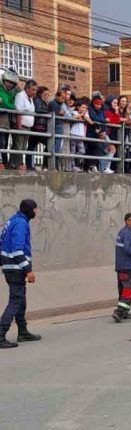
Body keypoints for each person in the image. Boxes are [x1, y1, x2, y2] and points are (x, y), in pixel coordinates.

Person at [0, 199, 41, 349]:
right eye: (35, 209)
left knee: (21, 300)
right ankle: (1, 333)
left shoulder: (12, 221)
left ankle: (22, 332)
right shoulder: (21, 223)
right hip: (16, 268)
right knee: (15, 300)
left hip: (10, 267)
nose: (36, 211)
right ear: (29, 210)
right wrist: (28, 270)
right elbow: (17, 250)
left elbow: (1, 243)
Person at [11, 79, 36, 171]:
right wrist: (19, 127)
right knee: (18, 146)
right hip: (20, 126)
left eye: (35, 90)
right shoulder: (20, 96)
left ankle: (13, 164)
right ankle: (18, 164)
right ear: (27, 88)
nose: (34, 92)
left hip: (27, 127)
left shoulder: (30, 98)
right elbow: (19, 111)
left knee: (23, 146)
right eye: (33, 89)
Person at [0, 69, 20, 169]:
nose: (9, 85)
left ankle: (4, 162)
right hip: (1, 120)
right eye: (8, 82)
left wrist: (9, 105)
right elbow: (5, 104)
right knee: (2, 142)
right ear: (4, 80)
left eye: (12, 83)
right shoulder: (0, 90)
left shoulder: (11, 92)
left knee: (5, 142)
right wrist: (13, 107)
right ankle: (2, 162)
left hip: (5, 121)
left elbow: (7, 103)